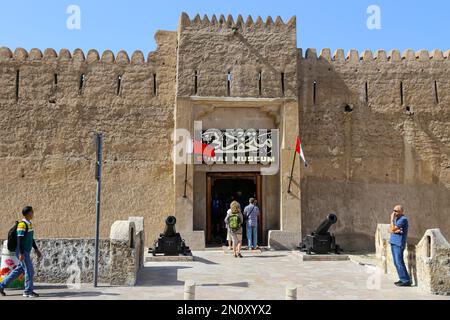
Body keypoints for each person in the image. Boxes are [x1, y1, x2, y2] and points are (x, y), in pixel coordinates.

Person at [0, 206, 42, 298]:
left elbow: (31, 238)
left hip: (26, 250)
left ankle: (1, 286)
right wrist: (21, 253)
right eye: (32, 212)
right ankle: (28, 291)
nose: (33, 214)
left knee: (19, 270)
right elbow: (19, 240)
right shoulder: (22, 225)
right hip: (22, 251)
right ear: (28, 213)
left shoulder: (29, 224)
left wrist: (36, 249)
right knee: (29, 271)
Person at [389, 205, 412, 287]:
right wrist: (395, 229)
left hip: (398, 244)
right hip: (393, 242)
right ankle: (402, 278)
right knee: (396, 262)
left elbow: (392, 229)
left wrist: (392, 220)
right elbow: (390, 230)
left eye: (396, 211)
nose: (394, 212)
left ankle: (406, 280)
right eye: (393, 210)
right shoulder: (397, 220)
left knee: (399, 262)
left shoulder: (403, 219)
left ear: (401, 212)